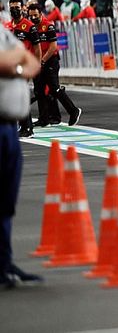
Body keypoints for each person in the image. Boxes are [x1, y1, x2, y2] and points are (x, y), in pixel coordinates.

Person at [0, 27, 43, 289]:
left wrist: (14, 62)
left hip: (8, 127)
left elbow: (32, 61)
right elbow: (11, 61)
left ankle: (3, 264)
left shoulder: (3, 32)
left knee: (5, 202)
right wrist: (16, 62)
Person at [27, 2, 75, 126]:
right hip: (36, 61)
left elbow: (53, 47)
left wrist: (42, 60)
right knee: (39, 90)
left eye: (35, 15)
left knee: (54, 88)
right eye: (31, 16)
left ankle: (73, 111)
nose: (33, 18)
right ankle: (44, 119)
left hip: (50, 60)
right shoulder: (29, 27)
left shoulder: (48, 26)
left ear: (41, 14)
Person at [5, 0, 35, 137]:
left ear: (22, 8)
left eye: (17, 7)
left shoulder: (29, 26)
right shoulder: (7, 26)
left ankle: (28, 128)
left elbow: (37, 48)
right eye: (12, 8)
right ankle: (22, 126)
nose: (14, 10)